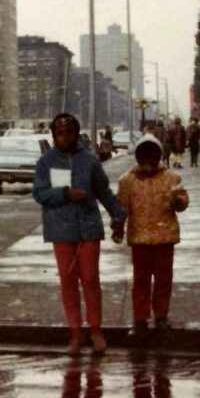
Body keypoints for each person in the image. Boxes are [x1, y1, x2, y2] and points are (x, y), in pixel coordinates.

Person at [33, 112, 126, 356]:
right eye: (60, 133)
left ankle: (96, 330)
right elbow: (40, 194)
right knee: (68, 281)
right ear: (54, 135)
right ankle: (75, 333)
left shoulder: (90, 160)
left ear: (77, 133)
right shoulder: (45, 162)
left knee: (91, 279)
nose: (65, 137)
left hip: (88, 227)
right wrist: (64, 194)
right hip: (60, 230)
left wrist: (118, 215)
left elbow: (104, 192)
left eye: (70, 132)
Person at [116, 134, 189, 343]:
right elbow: (121, 207)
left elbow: (183, 201)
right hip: (140, 238)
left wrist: (178, 202)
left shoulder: (172, 178)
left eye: (152, 155)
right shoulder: (127, 180)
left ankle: (161, 316)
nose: (148, 160)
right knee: (141, 281)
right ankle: (140, 319)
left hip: (165, 237)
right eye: (144, 155)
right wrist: (118, 226)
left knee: (163, 280)